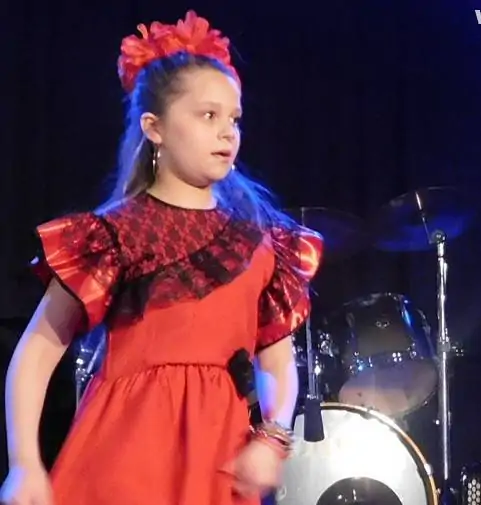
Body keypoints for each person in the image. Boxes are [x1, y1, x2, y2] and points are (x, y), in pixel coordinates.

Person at [0, 11, 323, 505]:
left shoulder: (259, 241)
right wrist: (24, 463)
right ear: (155, 128)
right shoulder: (113, 234)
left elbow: (278, 362)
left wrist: (273, 436)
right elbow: (37, 352)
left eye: (234, 119)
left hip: (217, 462)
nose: (228, 132)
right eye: (208, 115)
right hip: (121, 461)